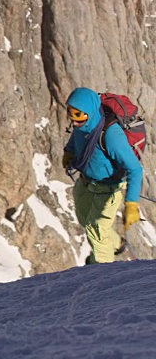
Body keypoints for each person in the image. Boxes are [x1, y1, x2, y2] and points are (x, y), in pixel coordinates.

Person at [62, 87, 142, 264]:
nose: (74, 121)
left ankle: (101, 277)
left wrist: (131, 203)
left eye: (78, 115)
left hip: (109, 188)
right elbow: (76, 138)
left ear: (89, 112)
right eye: (70, 113)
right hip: (87, 181)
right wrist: (68, 152)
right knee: (84, 218)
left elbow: (135, 169)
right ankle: (115, 243)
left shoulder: (111, 135)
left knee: (96, 230)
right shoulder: (82, 125)